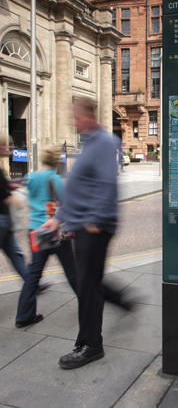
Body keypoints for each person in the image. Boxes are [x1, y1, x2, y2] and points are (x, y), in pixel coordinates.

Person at [44, 97, 126, 370]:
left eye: (76, 117)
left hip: (93, 228)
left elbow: (106, 184)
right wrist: (58, 219)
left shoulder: (103, 142)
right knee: (87, 285)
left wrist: (94, 220)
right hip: (81, 225)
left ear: (89, 115)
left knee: (88, 287)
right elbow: (78, 191)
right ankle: (87, 341)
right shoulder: (90, 143)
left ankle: (91, 345)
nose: (73, 121)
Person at [15, 147, 77, 328]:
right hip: (53, 230)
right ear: (57, 162)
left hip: (34, 230)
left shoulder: (30, 177)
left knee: (33, 274)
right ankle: (89, 306)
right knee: (72, 273)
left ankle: (24, 315)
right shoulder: (54, 179)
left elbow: (27, 200)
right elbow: (66, 205)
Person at [0, 134, 28, 280]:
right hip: (1, 219)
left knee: (15, 254)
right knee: (15, 253)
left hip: (4, 221)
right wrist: (26, 205)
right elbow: (4, 197)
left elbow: (3, 189)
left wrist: (11, 186)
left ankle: (31, 284)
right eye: (8, 144)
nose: (11, 147)